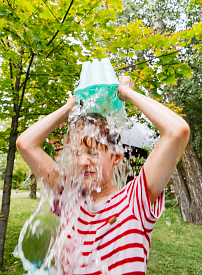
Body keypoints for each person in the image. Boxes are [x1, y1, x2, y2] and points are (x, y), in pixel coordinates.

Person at [16, 75, 190, 274]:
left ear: (116, 157)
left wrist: (127, 93)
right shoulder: (70, 197)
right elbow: (25, 144)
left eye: (93, 153)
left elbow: (177, 130)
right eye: (75, 154)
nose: (82, 162)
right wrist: (68, 108)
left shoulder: (134, 201)